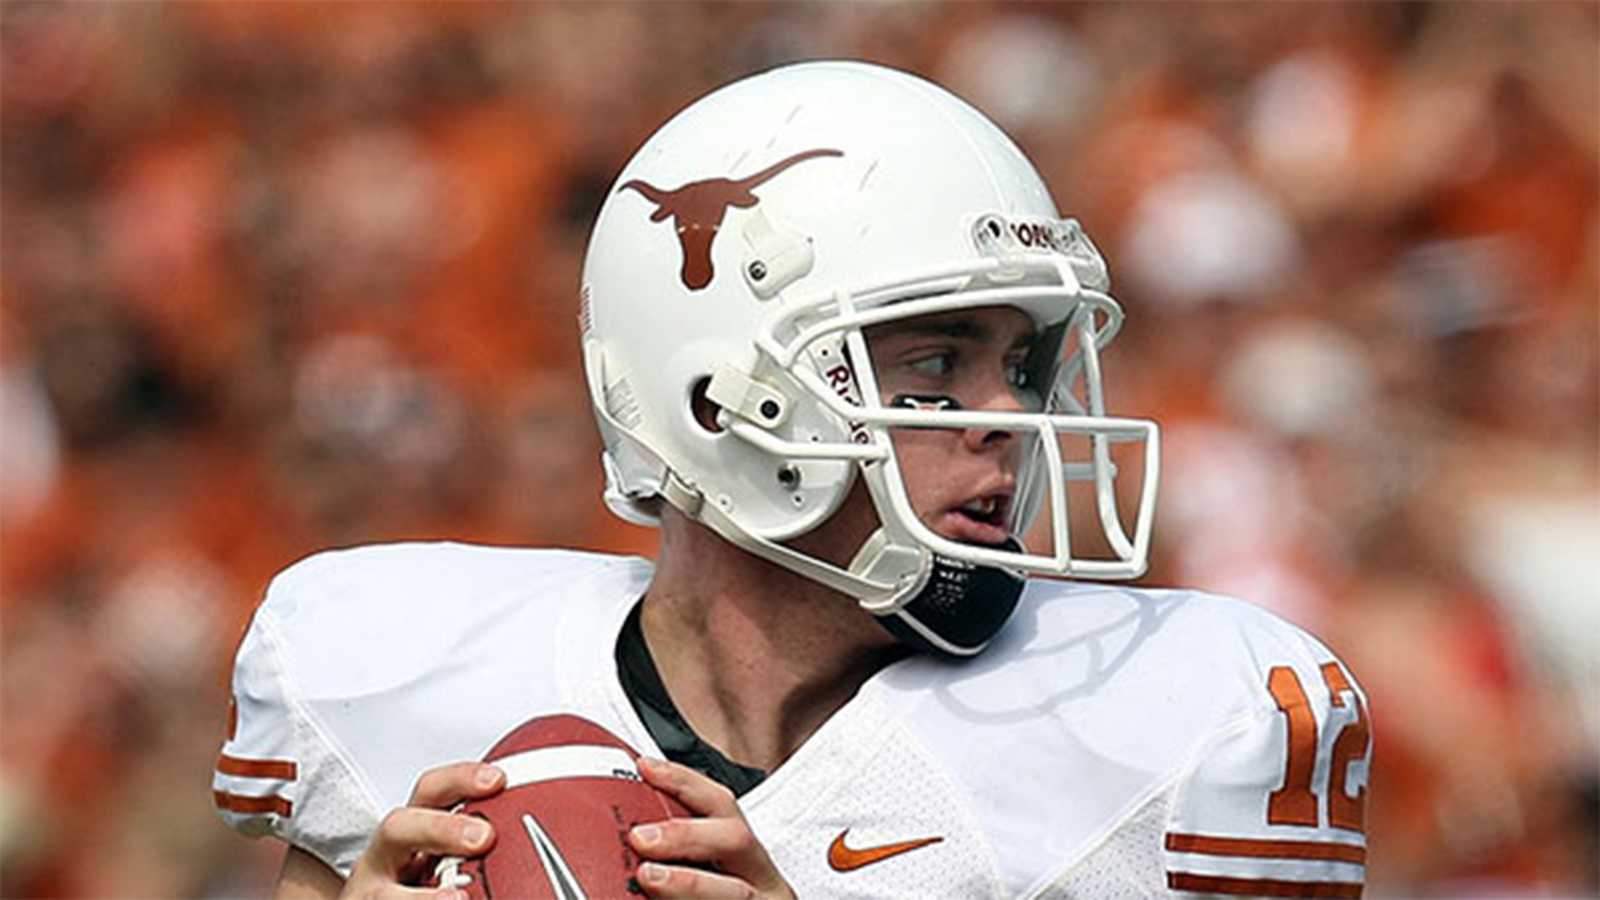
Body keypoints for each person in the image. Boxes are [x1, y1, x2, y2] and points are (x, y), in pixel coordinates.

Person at [215, 61, 1372, 900]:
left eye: (1022, 363)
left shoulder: (1178, 725)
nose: (1010, 417)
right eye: (935, 365)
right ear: (716, 402)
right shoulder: (398, 672)